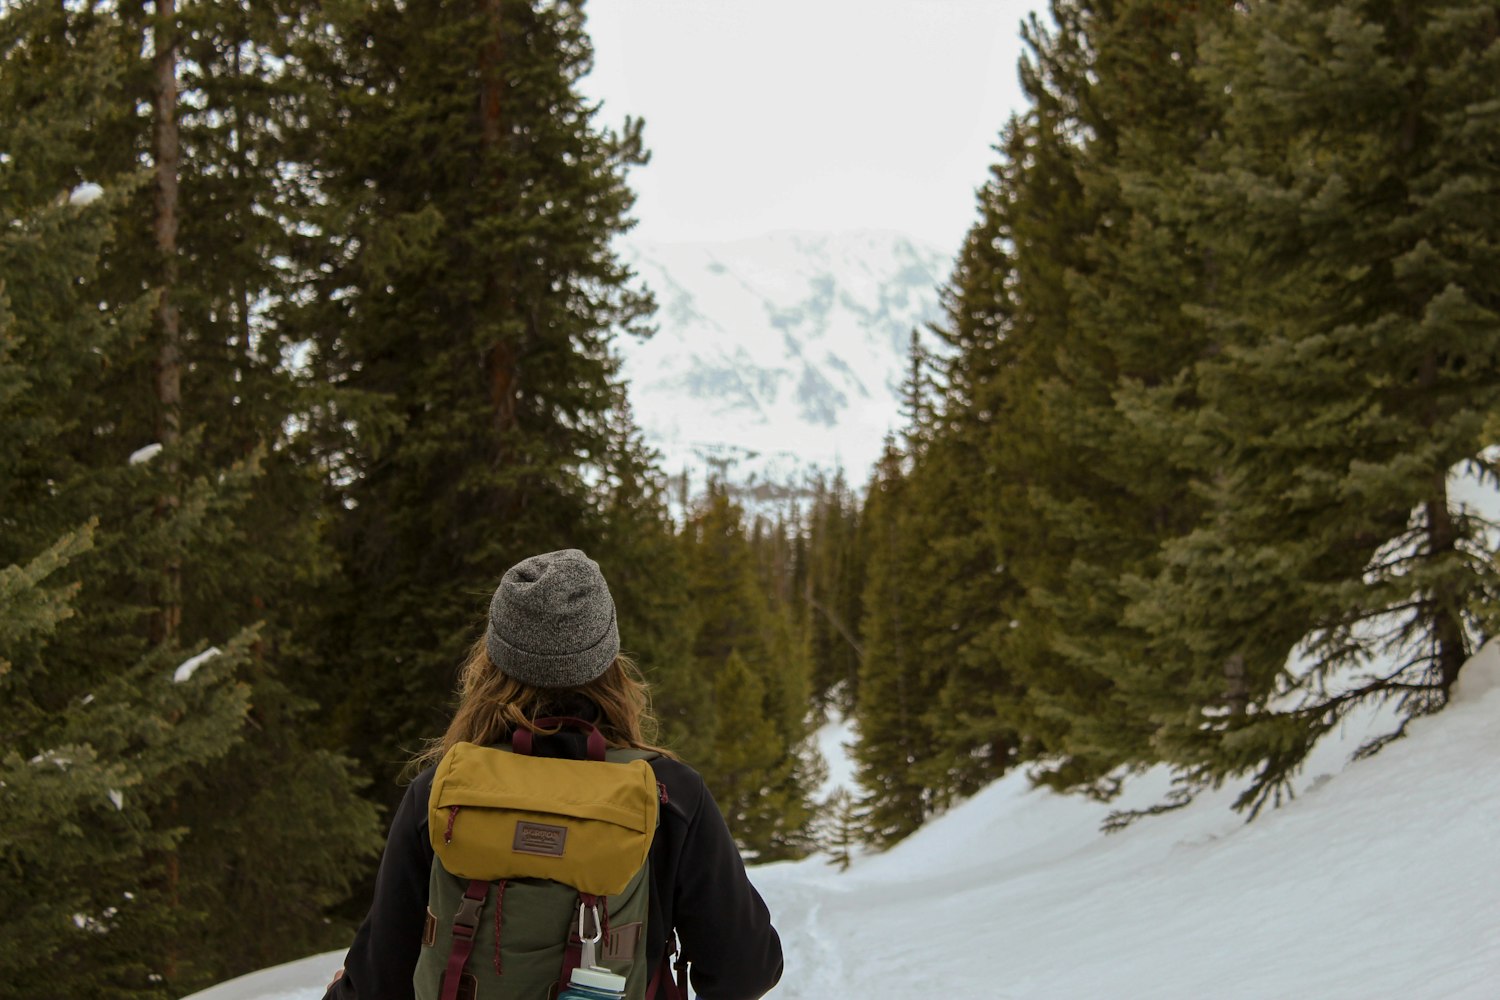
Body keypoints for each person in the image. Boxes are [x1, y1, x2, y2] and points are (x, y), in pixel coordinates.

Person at [324, 548, 784, 1000]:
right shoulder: (669, 794)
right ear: (610, 663)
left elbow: (378, 979)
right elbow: (747, 970)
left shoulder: (443, 789)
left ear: (491, 665)